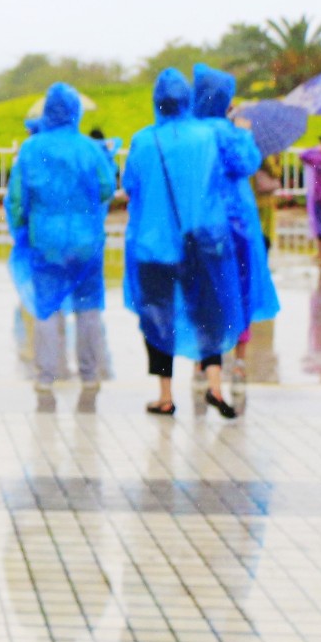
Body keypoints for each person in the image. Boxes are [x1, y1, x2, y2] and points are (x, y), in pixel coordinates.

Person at [122, 68, 242, 419]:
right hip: (201, 243)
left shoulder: (144, 141)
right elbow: (228, 176)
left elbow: (131, 184)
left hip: (154, 246)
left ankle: (165, 395)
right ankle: (215, 386)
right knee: (209, 312)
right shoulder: (207, 136)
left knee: (158, 314)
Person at [5, 83, 117, 407]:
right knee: (88, 308)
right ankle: (89, 373)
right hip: (86, 241)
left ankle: (45, 376)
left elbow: (16, 198)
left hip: (46, 240)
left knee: (46, 307)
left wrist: (23, 229)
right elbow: (107, 187)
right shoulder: (90, 149)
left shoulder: (30, 149)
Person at [191, 65, 280, 394]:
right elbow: (247, 163)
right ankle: (239, 364)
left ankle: (202, 363)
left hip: (200, 225)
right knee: (242, 290)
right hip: (238, 226)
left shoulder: (190, 133)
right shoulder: (230, 133)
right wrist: (242, 132)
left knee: (202, 291)